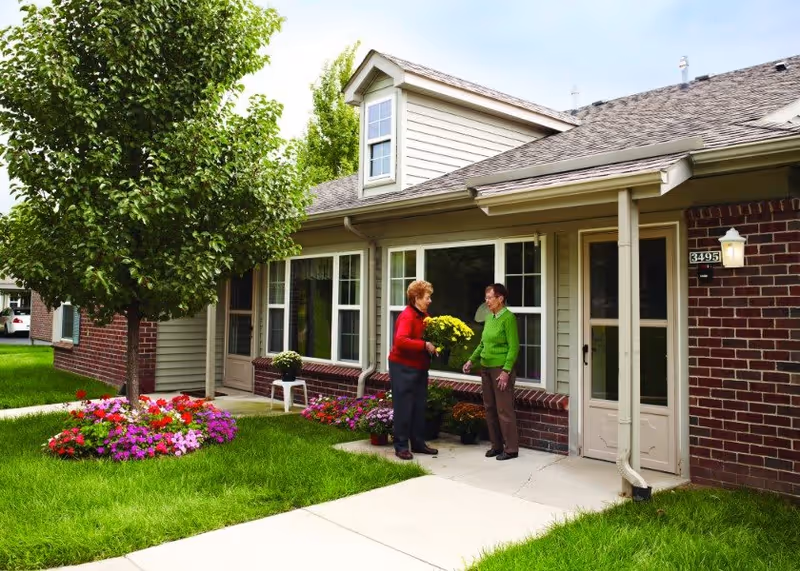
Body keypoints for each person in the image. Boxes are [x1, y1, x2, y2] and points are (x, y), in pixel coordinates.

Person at [462, 283, 520, 461]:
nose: (487, 301)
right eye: (486, 298)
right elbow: (482, 344)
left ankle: (511, 449)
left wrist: (506, 371)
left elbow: (514, 347)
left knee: (504, 409)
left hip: (500, 370)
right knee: (490, 408)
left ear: (500, 298)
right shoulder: (489, 318)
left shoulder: (508, 318)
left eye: (490, 298)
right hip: (485, 368)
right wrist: (471, 360)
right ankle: (496, 446)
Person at [388, 280, 439, 460]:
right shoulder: (408, 316)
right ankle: (401, 446)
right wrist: (424, 345)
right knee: (404, 406)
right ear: (416, 298)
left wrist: (434, 347)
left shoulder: (423, 316)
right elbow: (400, 341)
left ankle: (418, 443)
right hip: (403, 367)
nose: (430, 300)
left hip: (419, 367)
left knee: (419, 405)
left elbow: (424, 339)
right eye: (427, 297)